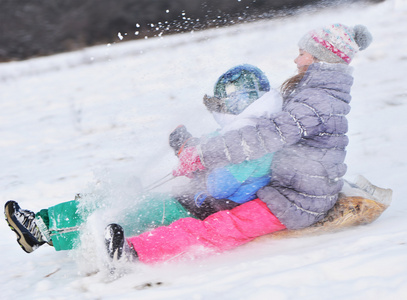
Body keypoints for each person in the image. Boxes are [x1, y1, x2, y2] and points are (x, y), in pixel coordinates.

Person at [104, 23, 373, 264]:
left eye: (303, 53)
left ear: (320, 59)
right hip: (287, 189)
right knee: (210, 205)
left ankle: (133, 253)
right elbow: (257, 130)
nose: (296, 58)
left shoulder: (316, 102)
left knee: (221, 227)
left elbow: (263, 137)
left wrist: (204, 155)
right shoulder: (312, 94)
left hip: (297, 202)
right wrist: (199, 149)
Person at [4, 65, 282, 253]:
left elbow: (219, 186)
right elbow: (210, 148)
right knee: (124, 188)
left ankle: (43, 231)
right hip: (188, 199)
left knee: (131, 209)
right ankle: (47, 217)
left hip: (200, 210)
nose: (218, 110)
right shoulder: (243, 132)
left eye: (222, 104)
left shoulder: (256, 144)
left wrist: (197, 164)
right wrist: (187, 145)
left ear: (240, 103)